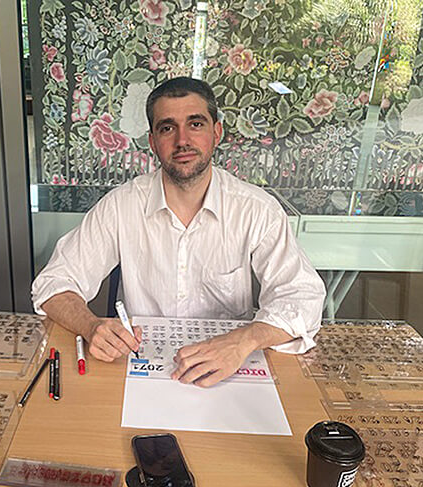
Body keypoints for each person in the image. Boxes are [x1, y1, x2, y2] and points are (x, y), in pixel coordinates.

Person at [32, 77, 325, 387]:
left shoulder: (256, 209)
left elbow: (302, 297)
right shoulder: (121, 205)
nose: (182, 140)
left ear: (217, 133)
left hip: (229, 370)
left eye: (195, 124)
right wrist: (91, 326)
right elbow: (53, 284)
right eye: (167, 128)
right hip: (141, 367)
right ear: (152, 141)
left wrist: (242, 341)